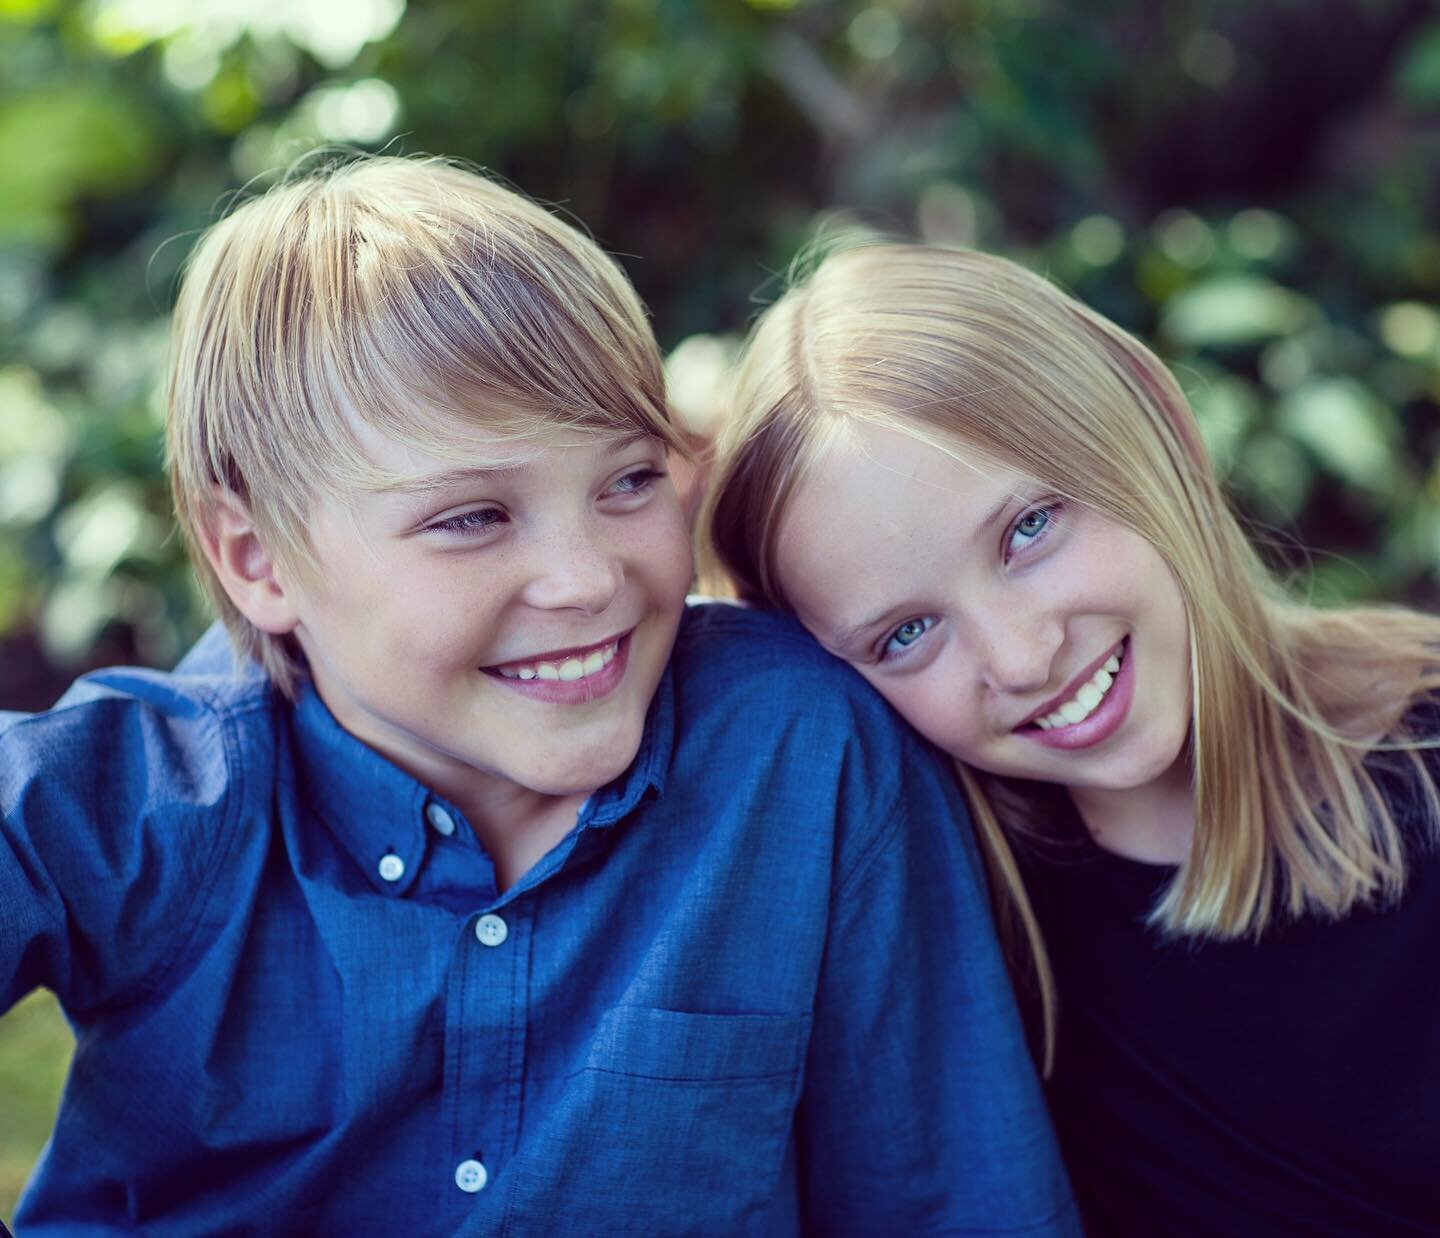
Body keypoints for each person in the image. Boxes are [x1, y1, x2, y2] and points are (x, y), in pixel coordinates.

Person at [0, 161, 1079, 1234]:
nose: (588, 579)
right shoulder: (138, 799)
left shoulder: (795, 750)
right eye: (472, 518)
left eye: (629, 481)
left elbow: (951, 1201)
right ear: (258, 559)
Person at [701, 241, 1440, 1237]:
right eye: (906, 634)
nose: (1021, 657)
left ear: (1158, 417)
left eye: (1029, 528)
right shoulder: (949, 937)